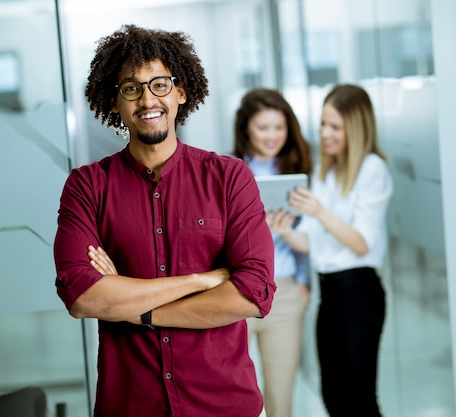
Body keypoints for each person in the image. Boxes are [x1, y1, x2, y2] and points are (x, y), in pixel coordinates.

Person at [53, 24, 276, 417]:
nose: (146, 99)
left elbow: (252, 292)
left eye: (159, 84)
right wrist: (198, 281)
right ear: (115, 102)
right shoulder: (87, 187)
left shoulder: (229, 177)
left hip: (223, 403)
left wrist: (133, 305)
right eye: (131, 88)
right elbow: (83, 296)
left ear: (181, 92)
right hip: (131, 405)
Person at [288, 83, 393, 417]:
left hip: (359, 292)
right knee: (333, 396)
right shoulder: (327, 171)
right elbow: (309, 240)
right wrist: (278, 229)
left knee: (360, 399)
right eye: (322, 124)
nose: (324, 133)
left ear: (355, 128)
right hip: (329, 294)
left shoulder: (372, 169)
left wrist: (320, 212)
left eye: (334, 126)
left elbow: (361, 242)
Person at [232, 88, 312, 417]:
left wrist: (305, 282)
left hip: (287, 294)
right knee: (235, 398)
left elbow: (311, 234)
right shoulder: (227, 171)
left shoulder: (298, 170)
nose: (272, 136)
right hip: (238, 294)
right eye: (263, 128)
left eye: (279, 128)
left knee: (281, 399)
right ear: (246, 129)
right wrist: (254, 226)